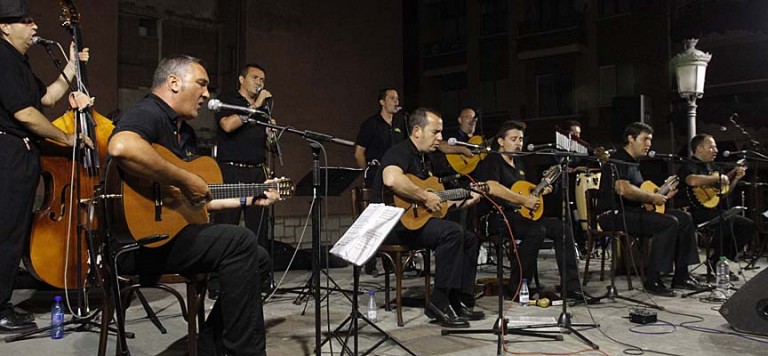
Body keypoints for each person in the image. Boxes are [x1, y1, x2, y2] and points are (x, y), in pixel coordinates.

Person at [107, 55, 278, 355]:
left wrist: (249, 198)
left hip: (171, 239)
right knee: (241, 240)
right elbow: (121, 146)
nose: (207, 94)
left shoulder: (183, 132)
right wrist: (185, 178)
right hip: (136, 246)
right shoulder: (149, 112)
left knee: (260, 257)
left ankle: (211, 343)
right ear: (173, 82)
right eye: (201, 84)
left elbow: (196, 202)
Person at [0, 0, 92, 333]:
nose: (35, 26)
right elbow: (26, 114)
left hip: (20, 156)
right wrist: (67, 139)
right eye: (26, 21)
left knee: (13, 230)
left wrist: (71, 66)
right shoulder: (3, 58)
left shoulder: (18, 62)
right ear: (4, 27)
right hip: (7, 152)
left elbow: (48, 98)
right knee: (6, 233)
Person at [370, 108, 482, 328]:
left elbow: (435, 200)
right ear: (417, 130)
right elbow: (391, 179)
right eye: (436, 132)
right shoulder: (399, 151)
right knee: (452, 232)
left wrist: (463, 199)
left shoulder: (424, 160)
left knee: (469, 238)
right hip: (393, 225)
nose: (440, 137)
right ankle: (439, 301)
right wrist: (424, 196)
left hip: (414, 222)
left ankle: (458, 299)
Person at [473, 120, 586, 301]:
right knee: (536, 231)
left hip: (520, 216)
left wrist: (541, 190)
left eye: (521, 139)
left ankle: (571, 287)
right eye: (513, 138)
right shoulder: (492, 161)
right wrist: (525, 200)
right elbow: (492, 188)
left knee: (561, 227)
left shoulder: (519, 164)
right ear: (501, 141)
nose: (518, 143)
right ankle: (518, 287)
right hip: (495, 217)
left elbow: (527, 189)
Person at [596, 122, 700, 297]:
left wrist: (662, 194)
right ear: (631, 138)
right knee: (668, 223)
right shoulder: (618, 160)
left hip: (634, 211)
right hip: (614, 214)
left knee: (684, 217)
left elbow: (640, 194)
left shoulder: (634, 163)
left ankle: (682, 275)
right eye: (645, 139)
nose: (649, 144)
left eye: (650, 140)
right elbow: (623, 189)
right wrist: (653, 197)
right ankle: (653, 278)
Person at [212, 63, 274, 253]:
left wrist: (272, 134)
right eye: (255, 78)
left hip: (257, 171)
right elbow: (227, 126)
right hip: (231, 170)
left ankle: (260, 275)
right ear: (241, 79)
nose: (259, 83)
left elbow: (269, 145)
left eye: (262, 79)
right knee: (227, 224)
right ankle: (217, 279)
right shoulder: (227, 99)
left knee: (259, 229)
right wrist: (254, 107)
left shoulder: (264, 108)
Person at [676, 134, 755, 278]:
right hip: (692, 212)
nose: (716, 150)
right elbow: (692, 180)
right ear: (699, 149)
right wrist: (718, 178)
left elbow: (721, 195)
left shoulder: (711, 167)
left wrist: (735, 178)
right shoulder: (689, 165)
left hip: (711, 210)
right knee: (725, 221)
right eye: (711, 146)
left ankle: (717, 260)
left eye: (715, 147)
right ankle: (717, 262)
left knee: (748, 225)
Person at [354, 88, 407, 186]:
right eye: (392, 98)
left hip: (397, 175)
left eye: (397, 98)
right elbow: (359, 153)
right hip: (377, 176)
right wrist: (368, 171)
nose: (396, 101)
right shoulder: (371, 124)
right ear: (382, 102)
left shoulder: (400, 124)